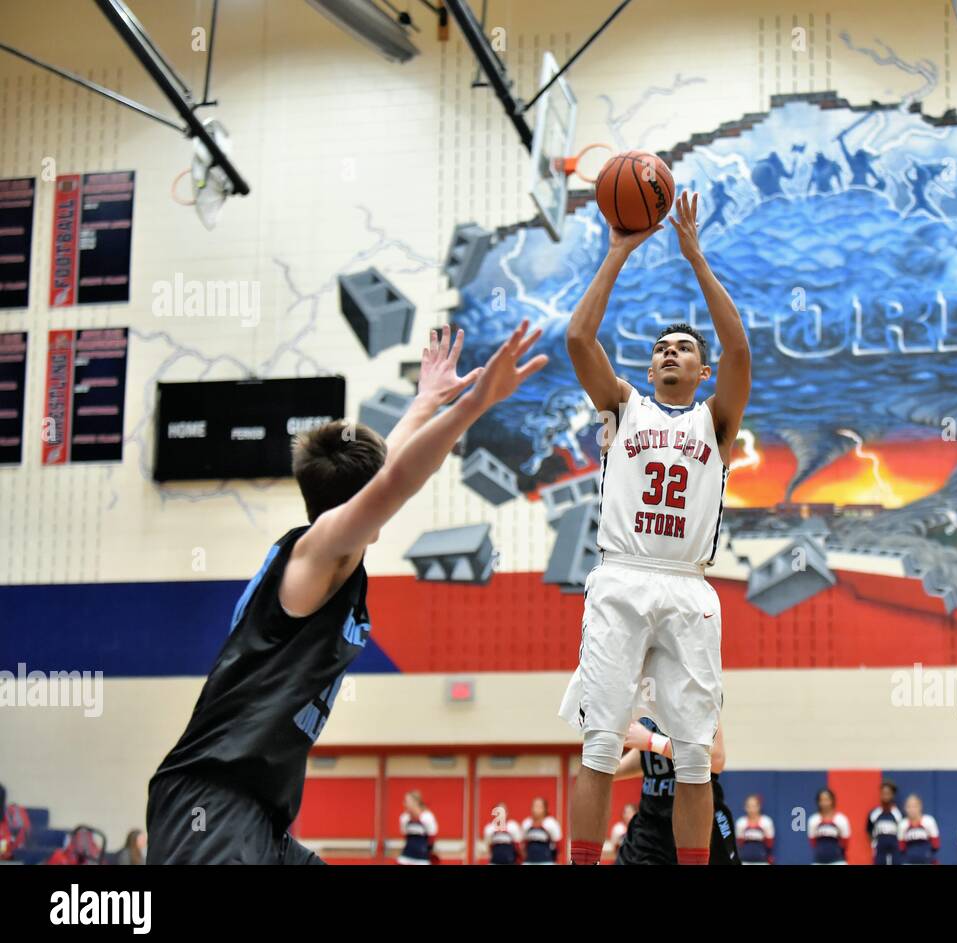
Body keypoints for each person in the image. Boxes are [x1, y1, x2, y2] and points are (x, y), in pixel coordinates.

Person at [146, 324, 546, 865]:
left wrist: (425, 399)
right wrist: (476, 404)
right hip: (211, 801)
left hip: (257, 811)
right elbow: (396, 479)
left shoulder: (328, 547)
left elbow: (385, 468)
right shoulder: (320, 552)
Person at [560, 191, 752, 866]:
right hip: (621, 575)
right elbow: (579, 339)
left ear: (700, 372)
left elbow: (739, 347)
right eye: (662, 349)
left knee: (696, 756)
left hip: (687, 585)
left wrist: (695, 256)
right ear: (649, 369)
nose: (672, 353)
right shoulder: (623, 406)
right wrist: (618, 251)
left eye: (684, 350)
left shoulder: (715, 422)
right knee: (601, 745)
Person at [611, 718, 738, 865]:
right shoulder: (645, 699)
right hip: (651, 823)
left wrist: (652, 741)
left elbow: (716, 759)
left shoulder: (696, 696)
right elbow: (648, 756)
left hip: (698, 819)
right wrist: (605, 769)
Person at [808, 788, 850, 864]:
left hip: (838, 861)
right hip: (819, 861)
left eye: (827, 800)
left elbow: (845, 843)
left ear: (832, 801)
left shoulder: (841, 819)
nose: (824, 803)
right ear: (818, 802)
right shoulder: (813, 820)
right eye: (822, 800)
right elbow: (813, 842)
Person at [867, 780, 904, 865]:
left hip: (895, 851)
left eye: (888, 793)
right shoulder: (874, 814)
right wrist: (874, 843)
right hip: (879, 851)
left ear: (892, 795)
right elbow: (868, 830)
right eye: (883, 793)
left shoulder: (899, 814)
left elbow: (903, 832)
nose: (885, 796)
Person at [397, 790, 438, 865]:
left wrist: (428, 853)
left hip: (422, 858)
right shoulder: (404, 818)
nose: (404, 804)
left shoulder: (427, 817)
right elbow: (405, 835)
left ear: (415, 802)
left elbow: (432, 838)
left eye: (407, 801)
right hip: (406, 856)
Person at [897, 794, 940, 865]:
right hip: (909, 861)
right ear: (905, 808)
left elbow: (935, 845)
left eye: (914, 806)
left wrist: (929, 857)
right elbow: (901, 847)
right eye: (909, 807)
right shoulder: (902, 824)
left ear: (920, 806)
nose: (912, 809)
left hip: (926, 860)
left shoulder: (929, 821)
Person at [521, 797, 563, 864]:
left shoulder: (551, 823)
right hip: (529, 861)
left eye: (539, 806)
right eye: (534, 806)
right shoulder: (526, 823)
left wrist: (558, 860)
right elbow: (523, 844)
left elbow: (558, 845)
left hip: (546, 861)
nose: (535, 809)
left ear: (545, 809)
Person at [735, 795, 775, 865]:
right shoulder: (740, 822)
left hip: (762, 861)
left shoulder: (766, 821)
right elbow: (739, 843)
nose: (751, 809)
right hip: (744, 860)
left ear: (759, 806)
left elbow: (769, 843)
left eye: (754, 806)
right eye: (749, 806)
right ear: (745, 807)